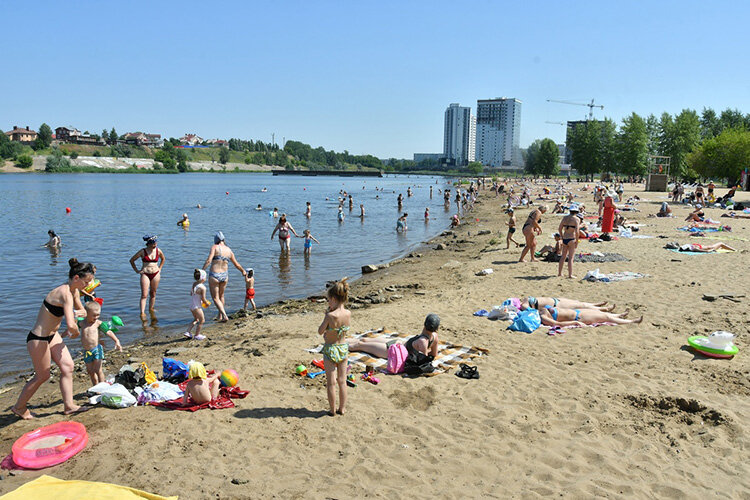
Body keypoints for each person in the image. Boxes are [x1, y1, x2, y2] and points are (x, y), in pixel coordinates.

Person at [12, 258, 95, 419]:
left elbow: (82, 311)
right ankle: (19, 407)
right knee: (43, 376)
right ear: (76, 278)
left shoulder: (74, 291)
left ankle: (69, 406)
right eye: (86, 282)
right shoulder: (64, 293)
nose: (87, 286)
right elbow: (71, 325)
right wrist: (75, 330)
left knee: (68, 366)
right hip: (39, 338)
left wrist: (80, 313)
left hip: (53, 336)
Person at [318, 279, 351, 416]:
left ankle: (332, 410)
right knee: (342, 381)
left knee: (331, 383)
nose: (328, 303)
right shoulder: (348, 313)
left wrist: (326, 319)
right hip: (343, 348)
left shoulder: (330, 315)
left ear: (333, 298)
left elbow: (320, 331)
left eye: (328, 300)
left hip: (330, 349)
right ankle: (342, 409)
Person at [347, 313, 440, 359]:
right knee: (364, 340)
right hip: (398, 344)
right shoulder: (435, 336)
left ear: (424, 324)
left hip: (393, 352)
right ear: (436, 329)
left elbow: (422, 360)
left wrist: (422, 350)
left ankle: (339, 345)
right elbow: (434, 354)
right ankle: (342, 341)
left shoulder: (423, 341)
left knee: (360, 345)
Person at [202, 231, 246, 322]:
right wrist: (243, 271)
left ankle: (224, 315)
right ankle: (220, 316)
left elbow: (209, 261)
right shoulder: (229, 250)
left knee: (215, 298)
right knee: (221, 296)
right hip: (225, 276)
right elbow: (236, 264)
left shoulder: (214, 247)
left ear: (216, 240)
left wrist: (202, 271)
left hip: (214, 275)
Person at [79, 301, 122, 384]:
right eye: (94, 315)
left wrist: (117, 341)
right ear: (86, 313)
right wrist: (62, 336)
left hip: (96, 350)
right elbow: (71, 329)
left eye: (98, 315)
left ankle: (102, 387)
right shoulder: (81, 323)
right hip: (87, 352)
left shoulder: (98, 323)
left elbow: (108, 332)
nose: (96, 317)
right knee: (90, 371)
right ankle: (96, 387)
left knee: (98, 369)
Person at [129, 234, 165, 317]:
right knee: (144, 294)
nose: (155, 245)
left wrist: (160, 268)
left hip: (155, 273)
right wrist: (137, 270)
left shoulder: (158, 251)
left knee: (153, 293)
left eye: (155, 243)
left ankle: (151, 309)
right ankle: (142, 312)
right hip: (145, 273)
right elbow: (132, 260)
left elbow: (163, 259)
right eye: (153, 243)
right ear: (148, 243)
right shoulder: (142, 251)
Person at [539, 306, 642, 327]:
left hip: (578, 312)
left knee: (603, 314)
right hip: (578, 318)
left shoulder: (541, 311)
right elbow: (558, 324)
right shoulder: (544, 318)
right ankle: (633, 321)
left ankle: (619, 315)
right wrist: (575, 323)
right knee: (606, 318)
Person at [558, 204, 581, 278]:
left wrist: (561, 236)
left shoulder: (565, 218)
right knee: (571, 258)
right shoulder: (576, 219)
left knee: (563, 257)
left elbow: (559, 228)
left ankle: (559, 273)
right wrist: (577, 241)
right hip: (571, 238)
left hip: (565, 238)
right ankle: (570, 274)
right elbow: (577, 231)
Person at [184, 269, 209, 340]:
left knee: (196, 319)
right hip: (197, 307)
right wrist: (206, 303)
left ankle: (188, 332)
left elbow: (191, 293)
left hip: (191, 306)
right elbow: (203, 299)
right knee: (202, 320)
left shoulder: (194, 284)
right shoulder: (203, 288)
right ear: (203, 278)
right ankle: (197, 335)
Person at [520, 296, 616, 312]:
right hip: (556, 306)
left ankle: (596, 304)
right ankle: (605, 309)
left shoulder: (524, 299)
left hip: (555, 300)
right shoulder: (524, 305)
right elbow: (530, 311)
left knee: (577, 302)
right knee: (581, 306)